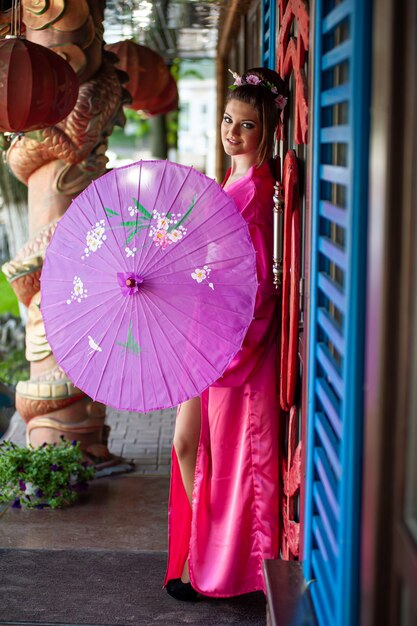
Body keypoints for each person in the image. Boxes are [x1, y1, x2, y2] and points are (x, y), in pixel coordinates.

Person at [165, 67, 287, 601]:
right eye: (227, 120)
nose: (232, 132)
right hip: (208, 338)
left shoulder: (257, 194)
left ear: (268, 131)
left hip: (233, 347)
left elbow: (257, 287)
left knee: (235, 460)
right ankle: (199, 559)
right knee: (189, 446)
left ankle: (230, 572)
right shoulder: (232, 184)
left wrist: (225, 348)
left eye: (247, 125)